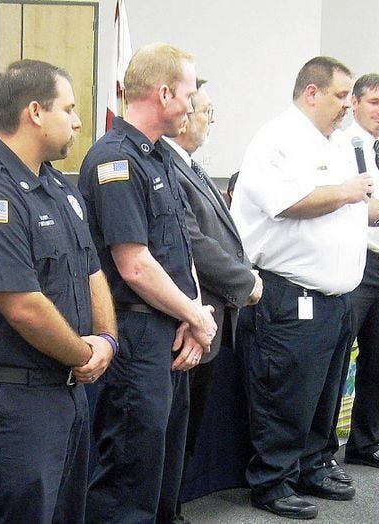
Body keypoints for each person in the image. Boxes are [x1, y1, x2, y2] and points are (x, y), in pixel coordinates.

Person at [231, 57, 379, 520]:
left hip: (337, 297)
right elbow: (289, 202)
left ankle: (314, 465)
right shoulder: (277, 140)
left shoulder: (333, 143)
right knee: (286, 394)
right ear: (311, 92)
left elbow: (353, 207)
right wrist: (349, 192)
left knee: (325, 393)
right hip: (290, 293)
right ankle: (272, 482)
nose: (346, 105)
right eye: (340, 96)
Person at [0, 59, 115, 523]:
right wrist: (83, 353)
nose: (78, 121)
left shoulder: (59, 187)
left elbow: (92, 272)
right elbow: (22, 307)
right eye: (70, 108)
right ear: (35, 112)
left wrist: (107, 340)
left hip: (63, 395)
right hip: (6, 406)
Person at [80, 43, 216, 524]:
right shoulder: (115, 160)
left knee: (163, 471)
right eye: (189, 92)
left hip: (171, 329)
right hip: (137, 334)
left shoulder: (160, 158)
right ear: (163, 93)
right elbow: (134, 264)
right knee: (129, 476)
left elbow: (181, 251)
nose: (194, 103)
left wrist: (193, 313)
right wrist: (195, 314)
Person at [162, 78, 262, 521]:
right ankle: (167, 511)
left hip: (209, 315)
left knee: (186, 431)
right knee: (171, 433)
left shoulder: (192, 166)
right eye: (205, 109)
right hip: (185, 318)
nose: (210, 118)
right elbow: (193, 243)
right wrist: (245, 281)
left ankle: (173, 507)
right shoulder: (167, 166)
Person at [328, 73, 379, 472]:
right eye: (375, 102)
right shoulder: (339, 146)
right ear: (356, 103)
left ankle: (365, 443)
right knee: (338, 360)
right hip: (355, 263)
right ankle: (324, 449)